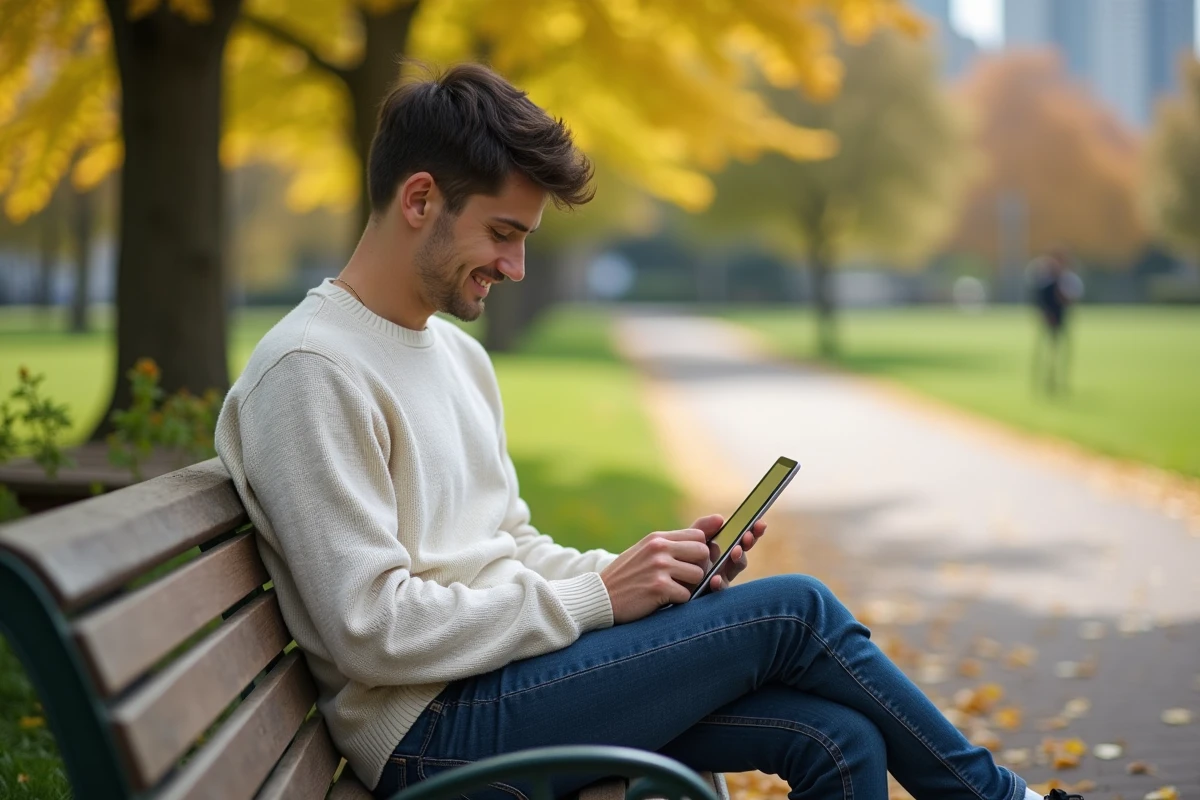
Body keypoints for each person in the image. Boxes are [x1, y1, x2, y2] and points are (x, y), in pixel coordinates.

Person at [215, 63, 1082, 800]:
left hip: (505, 686)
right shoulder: (312, 369)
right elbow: (371, 627)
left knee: (837, 738)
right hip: (432, 735)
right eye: (503, 234)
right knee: (799, 609)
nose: (514, 266)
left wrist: (647, 574)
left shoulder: (455, 355)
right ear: (419, 199)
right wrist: (599, 598)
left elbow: (507, 544)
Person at [1029, 249, 1083, 395]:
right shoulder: (1045, 282)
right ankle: (1043, 380)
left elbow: (1071, 299)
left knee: (1060, 352)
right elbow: (1040, 301)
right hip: (1048, 320)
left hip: (1061, 319)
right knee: (1045, 351)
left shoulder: (1065, 280)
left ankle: (1058, 380)